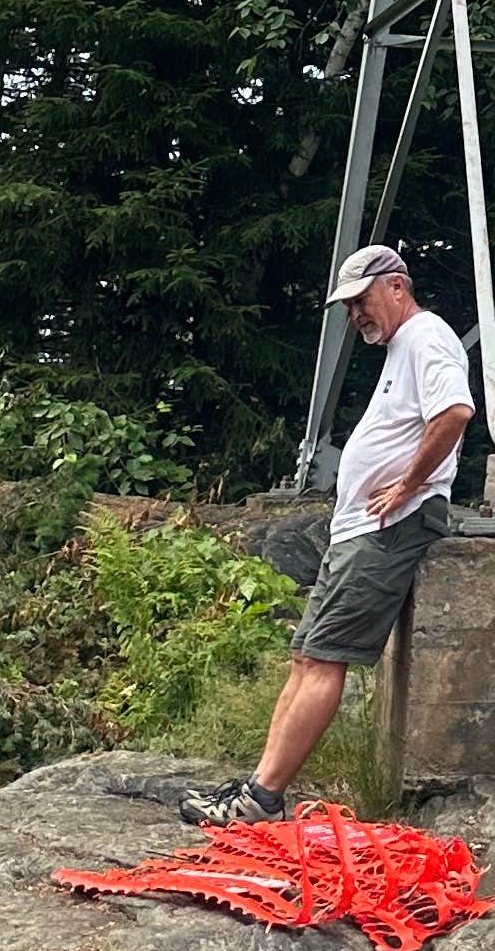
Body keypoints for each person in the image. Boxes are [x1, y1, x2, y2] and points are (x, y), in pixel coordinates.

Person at [178, 243, 472, 828]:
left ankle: (261, 800)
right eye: (348, 306)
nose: (356, 314)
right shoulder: (403, 346)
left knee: (323, 660)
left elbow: (455, 413)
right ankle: (258, 789)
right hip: (359, 529)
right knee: (306, 655)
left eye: (362, 300)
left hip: (387, 529)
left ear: (396, 286)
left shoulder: (427, 336)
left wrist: (408, 486)